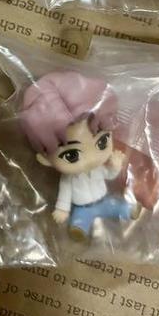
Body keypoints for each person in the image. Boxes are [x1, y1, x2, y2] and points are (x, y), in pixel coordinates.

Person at [17, 70, 141, 241]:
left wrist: (115, 164)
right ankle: (79, 228)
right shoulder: (69, 179)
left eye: (102, 142)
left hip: (104, 200)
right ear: (45, 159)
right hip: (82, 208)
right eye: (71, 155)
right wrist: (62, 210)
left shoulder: (98, 168)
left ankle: (127, 210)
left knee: (116, 205)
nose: (92, 158)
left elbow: (109, 175)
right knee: (80, 220)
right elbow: (65, 194)